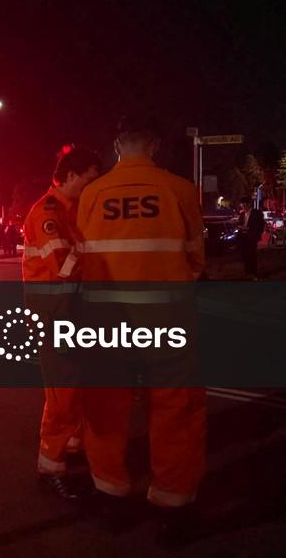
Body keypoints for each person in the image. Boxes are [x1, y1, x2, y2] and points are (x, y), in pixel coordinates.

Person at [76, 114, 206, 523]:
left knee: (106, 402)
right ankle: (172, 498)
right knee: (173, 405)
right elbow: (196, 259)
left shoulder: (93, 194)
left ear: (117, 147)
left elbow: (84, 258)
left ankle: (110, 490)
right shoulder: (181, 190)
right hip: (165, 316)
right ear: (154, 147)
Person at [23, 145, 100, 500]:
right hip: (55, 313)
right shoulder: (47, 213)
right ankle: (49, 466)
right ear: (70, 176)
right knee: (62, 393)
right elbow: (64, 264)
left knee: (77, 387)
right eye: (88, 180)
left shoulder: (71, 210)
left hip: (69, 309)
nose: (91, 187)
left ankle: (71, 448)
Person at [238, 196, 265, 280]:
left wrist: (249, 228)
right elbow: (240, 223)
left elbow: (260, 225)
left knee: (252, 254)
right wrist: (240, 228)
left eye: (244, 204)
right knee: (245, 255)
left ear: (249, 204)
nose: (243, 206)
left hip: (252, 236)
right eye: (242, 204)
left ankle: (253, 273)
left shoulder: (256, 213)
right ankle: (247, 272)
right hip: (243, 237)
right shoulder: (242, 214)